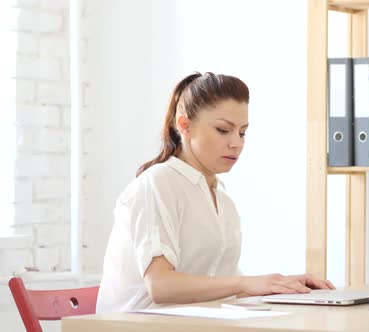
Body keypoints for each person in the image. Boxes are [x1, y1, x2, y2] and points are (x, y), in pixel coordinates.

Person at [96, 72, 335, 312]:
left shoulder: (221, 198)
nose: (236, 143)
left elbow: (221, 285)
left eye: (242, 132)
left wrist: (281, 285)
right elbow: (161, 285)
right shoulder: (157, 183)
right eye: (223, 130)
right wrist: (247, 283)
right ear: (184, 125)